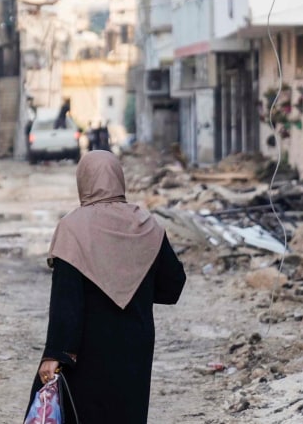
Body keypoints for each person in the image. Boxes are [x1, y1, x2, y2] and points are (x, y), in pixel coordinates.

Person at [28, 151, 186, 424]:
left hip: (87, 349)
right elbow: (173, 286)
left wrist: (55, 353)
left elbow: (67, 301)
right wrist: (136, 289)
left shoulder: (72, 228)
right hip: (135, 342)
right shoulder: (147, 224)